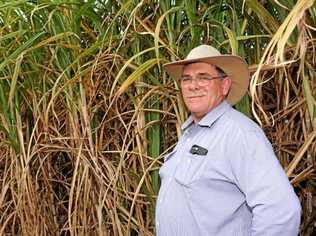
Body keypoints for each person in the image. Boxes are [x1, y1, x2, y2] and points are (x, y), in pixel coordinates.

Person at [155, 45, 301, 236]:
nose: (193, 85)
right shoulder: (190, 134)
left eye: (203, 77)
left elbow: (281, 212)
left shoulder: (239, 134)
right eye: (186, 78)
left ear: (224, 86)